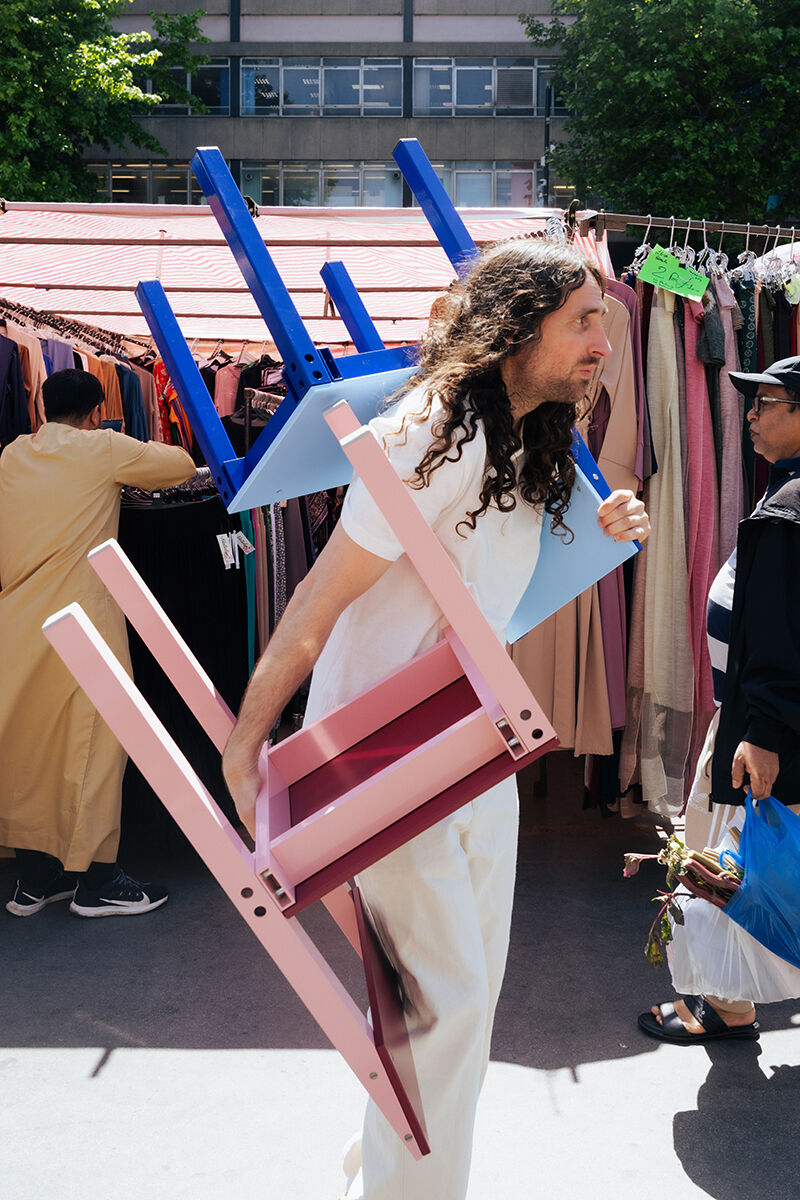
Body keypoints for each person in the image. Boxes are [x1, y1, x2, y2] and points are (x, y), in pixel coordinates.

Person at [222, 239, 649, 1200]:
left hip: (467, 739)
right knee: (442, 1006)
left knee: (462, 996)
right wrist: (246, 740)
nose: (603, 344)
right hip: (382, 747)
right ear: (516, 323)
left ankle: (385, 1162)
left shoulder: (532, 436)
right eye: (584, 320)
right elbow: (318, 603)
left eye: (607, 325)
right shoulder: (434, 428)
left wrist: (599, 527)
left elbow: (494, 585)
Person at [640, 355, 800, 1045]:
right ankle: (729, 1001)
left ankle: (727, 1007)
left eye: (767, 403)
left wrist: (761, 729)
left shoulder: (790, 511)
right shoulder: (787, 495)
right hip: (758, 718)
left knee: (728, 864)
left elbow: (781, 639)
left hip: (766, 731)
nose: (753, 416)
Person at [0, 368, 195, 917]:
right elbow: (178, 468)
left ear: (40, 408)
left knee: (33, 748)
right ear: (94, 411)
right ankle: (97, 882)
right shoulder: (99, 447)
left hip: (14, 623)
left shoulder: (11, 457)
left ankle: (35, 879)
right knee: (95, 747)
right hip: (81, 619)